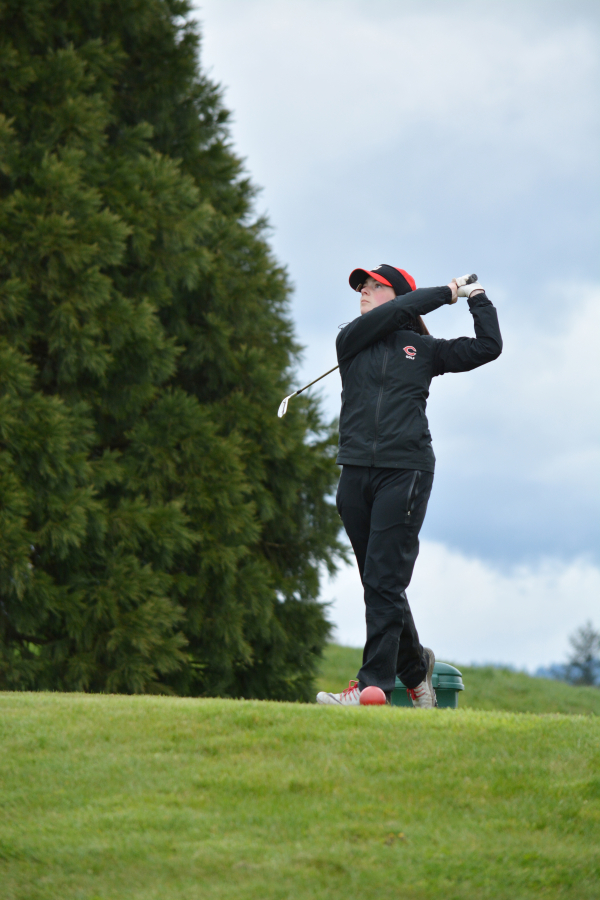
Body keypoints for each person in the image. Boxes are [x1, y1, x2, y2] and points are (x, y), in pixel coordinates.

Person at [317, 265, 502, 708]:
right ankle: (418, 675)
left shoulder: (425, 349)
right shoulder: (351, 339)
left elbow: (488, 347)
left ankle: (371, 686)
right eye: (361, 286)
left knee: (383, 580)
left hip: (406, 471)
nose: (362, 291)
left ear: (396, 293)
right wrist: (446, 292)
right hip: (355, 471)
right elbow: (399, 310)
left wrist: (475, 297)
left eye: (372, 285)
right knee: (380, 583)